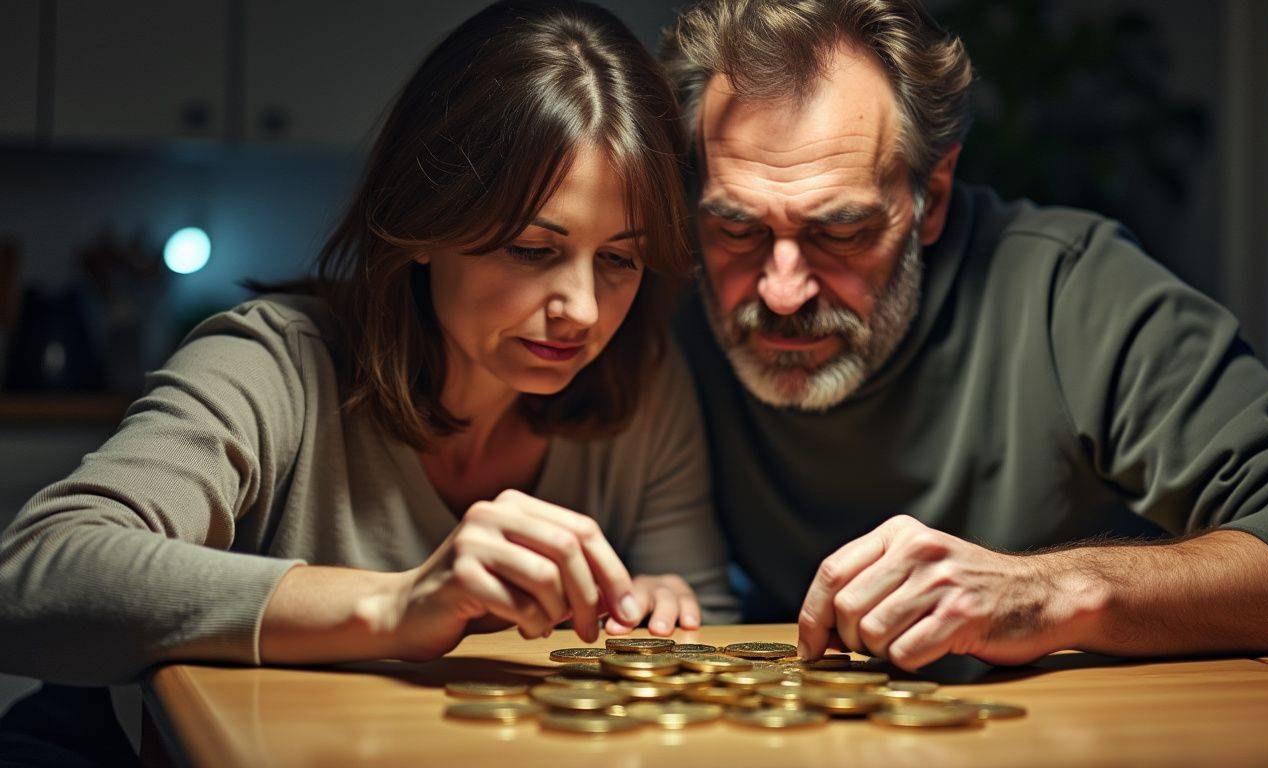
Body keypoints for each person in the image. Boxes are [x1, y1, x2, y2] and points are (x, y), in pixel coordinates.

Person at [0, 2, 735, 762]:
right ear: (424, 224)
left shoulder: (641, 379)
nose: (582, 311)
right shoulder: (275, 361)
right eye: (530, 248)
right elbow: (31, 579)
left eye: (620, 259)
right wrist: (397, 603)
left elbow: (706, 613)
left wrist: (661, 613)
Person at [662, 0, 1268, 669]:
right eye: (737, 229)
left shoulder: (1070, 292)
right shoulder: (654, 309)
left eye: (841, 231)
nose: (781, 291)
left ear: (931, 194)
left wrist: (1053, 593)